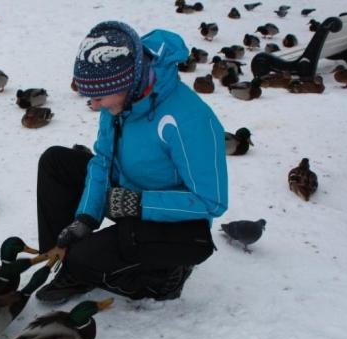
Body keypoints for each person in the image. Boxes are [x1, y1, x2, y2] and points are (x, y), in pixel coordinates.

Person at [36, 21, 228, 304]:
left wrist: (139, 203)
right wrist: (85, 218)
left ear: (126, 83)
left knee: (85, 257)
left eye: (99, 97)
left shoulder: (188, 119)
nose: (95, 105)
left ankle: (164, 277)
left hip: (177, 222)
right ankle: (67, 260)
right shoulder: (121, 101)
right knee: (56, 162)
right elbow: (102, 161)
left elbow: (212, 202)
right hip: (126, 195)